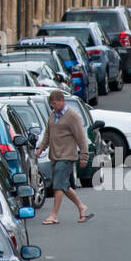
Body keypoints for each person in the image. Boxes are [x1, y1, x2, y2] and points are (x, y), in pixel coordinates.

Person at [35, 90, 93, 224]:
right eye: (51, 104)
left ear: (62, 101)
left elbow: (81, 137)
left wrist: (84, 156)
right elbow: (48, 135)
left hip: (66, 156)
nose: (53, 106)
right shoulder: (52, 115)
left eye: (55, 103)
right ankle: (81, 207)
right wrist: (40, 148)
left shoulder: (72, 116)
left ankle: (54, 215)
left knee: (58, 186)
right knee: (64, 185)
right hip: (55, 156)